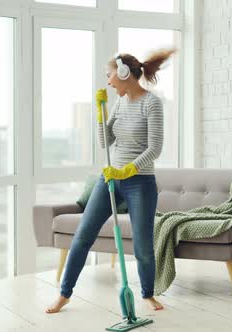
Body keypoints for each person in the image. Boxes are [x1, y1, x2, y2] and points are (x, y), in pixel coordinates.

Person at [45, 48, 175, 314]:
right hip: (110, 181)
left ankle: (147, 294)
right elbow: (106, 142)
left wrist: (127, 170)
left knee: (142, 246)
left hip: (140, 182)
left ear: (124, 73)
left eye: (110, 75)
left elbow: (155, 148)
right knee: (82, 236)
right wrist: (99, 113)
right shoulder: (119, 102)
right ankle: (64, 294)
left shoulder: (152, 103)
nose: (108, 81)